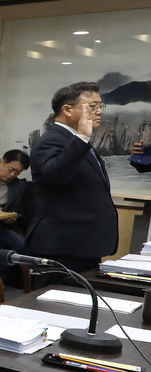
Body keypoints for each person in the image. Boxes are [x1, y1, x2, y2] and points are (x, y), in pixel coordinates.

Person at [26, 83, 118, 281]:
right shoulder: (51, 140)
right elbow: (56, 175)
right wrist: (82, 137)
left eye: (101, 106)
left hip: (83, 244)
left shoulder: (76, 140)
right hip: (62, 245)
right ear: (67, 110)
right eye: (92, 106)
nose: (100, 111)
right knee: (53, 306)